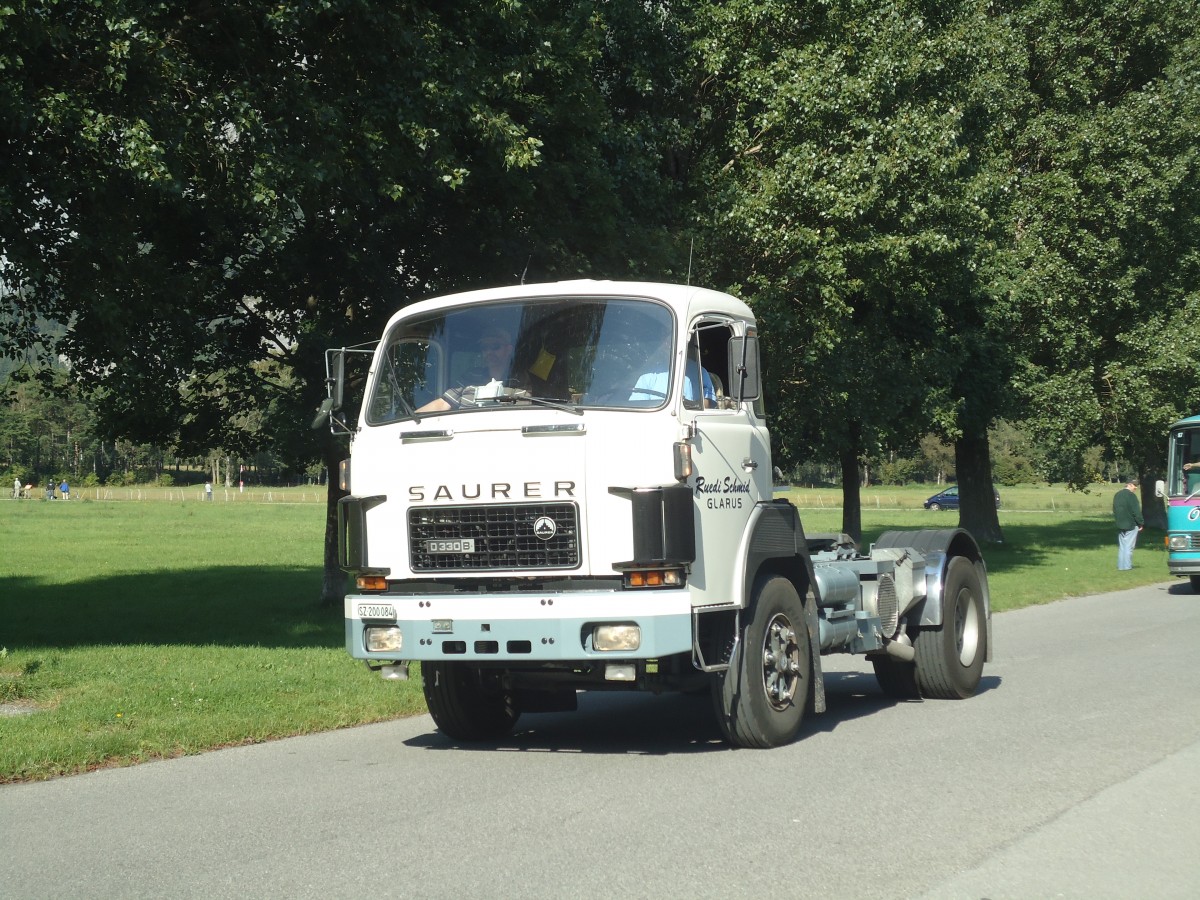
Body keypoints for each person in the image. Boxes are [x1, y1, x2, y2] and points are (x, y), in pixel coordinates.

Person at [419, 326, 517, 412]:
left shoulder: (522, 380)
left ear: (509, 349)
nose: (489, 351)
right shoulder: (470, 377)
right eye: (484, 347)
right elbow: (443, 404)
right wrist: (410, 421)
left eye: (495, 346)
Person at [1112, 478, 1144, 571]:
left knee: (1122, 546)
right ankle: (1126, 567)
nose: (1136, 487)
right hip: (1131, 524)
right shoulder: (1131, 496)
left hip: (1120, 523)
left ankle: (1121, 566)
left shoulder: (1117, 495)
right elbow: (1136, 512)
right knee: (1129, 547)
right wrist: (1141, 523)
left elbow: (1115, 510)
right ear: (1129, 485)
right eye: (1134, 485)